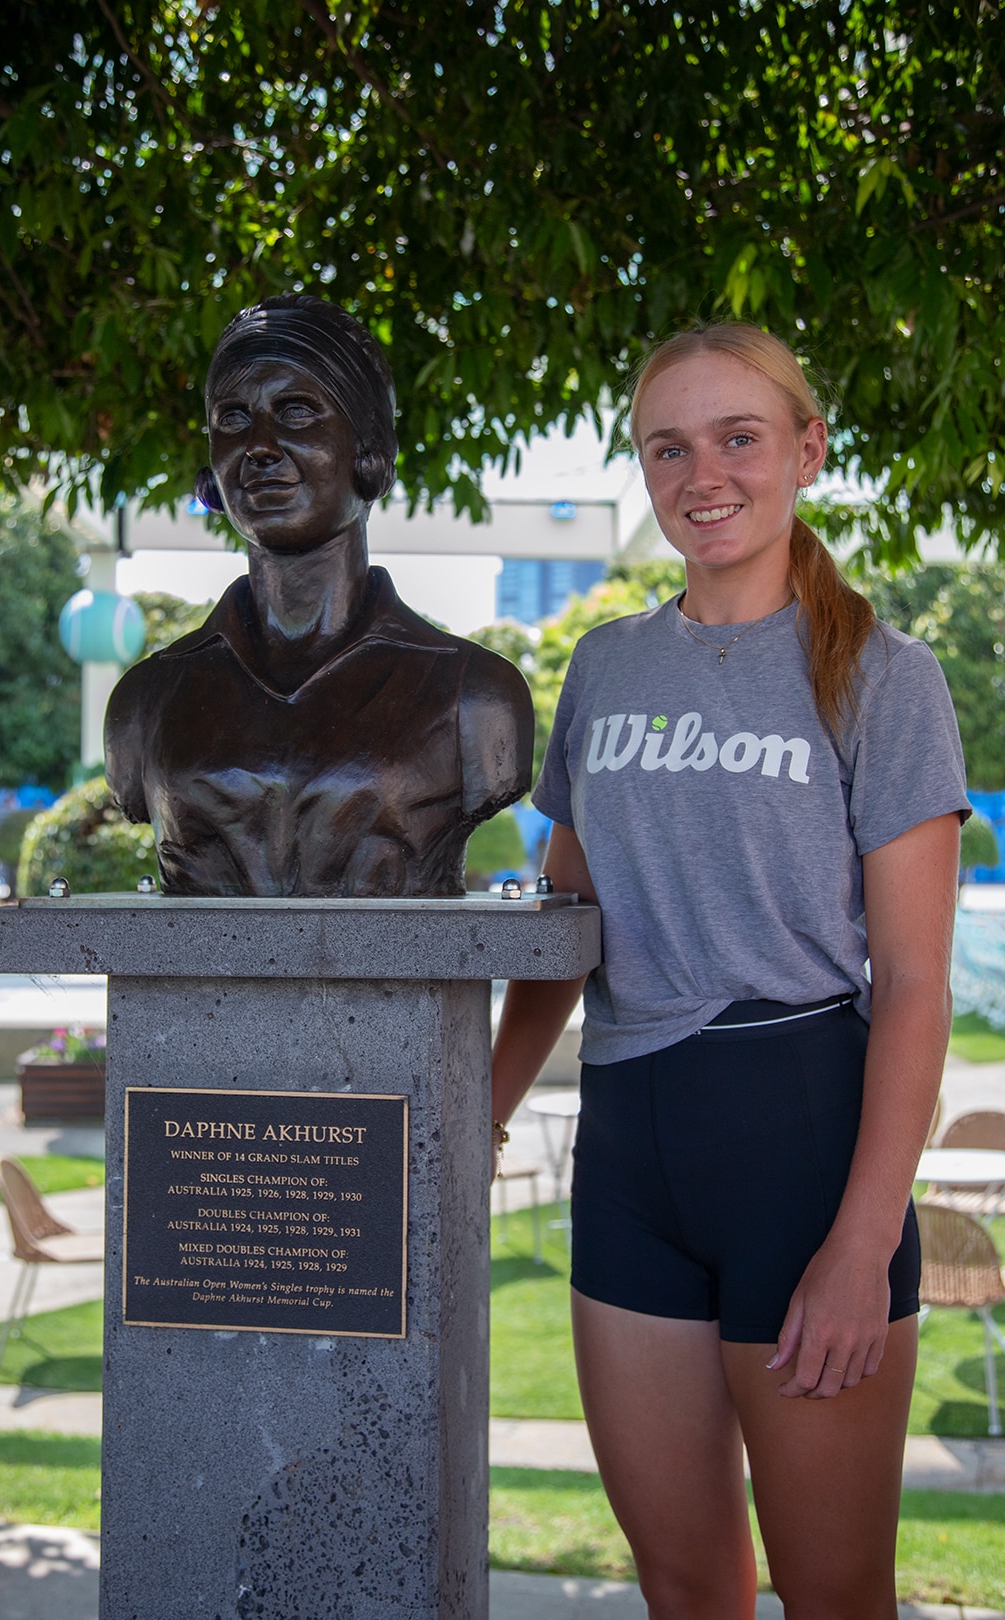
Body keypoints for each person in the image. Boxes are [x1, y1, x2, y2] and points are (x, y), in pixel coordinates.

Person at [491, 323, 969, 1619]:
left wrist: (863, 1240)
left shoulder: (887, 677)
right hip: (632, 1147)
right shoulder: (604, 667)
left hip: (805, 1151)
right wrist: (481, 1104)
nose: (704, 474)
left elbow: (919, 985)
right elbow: (567, 919)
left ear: (806, 451)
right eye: (669, 447)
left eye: (739, 437)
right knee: (686, 1582)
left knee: (832, 1593)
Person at [106, 293, 532, 897]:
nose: (258, 445)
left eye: (297, 412)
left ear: (369, 454)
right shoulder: (146, 702)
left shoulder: (476, 695)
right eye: (231, 419)